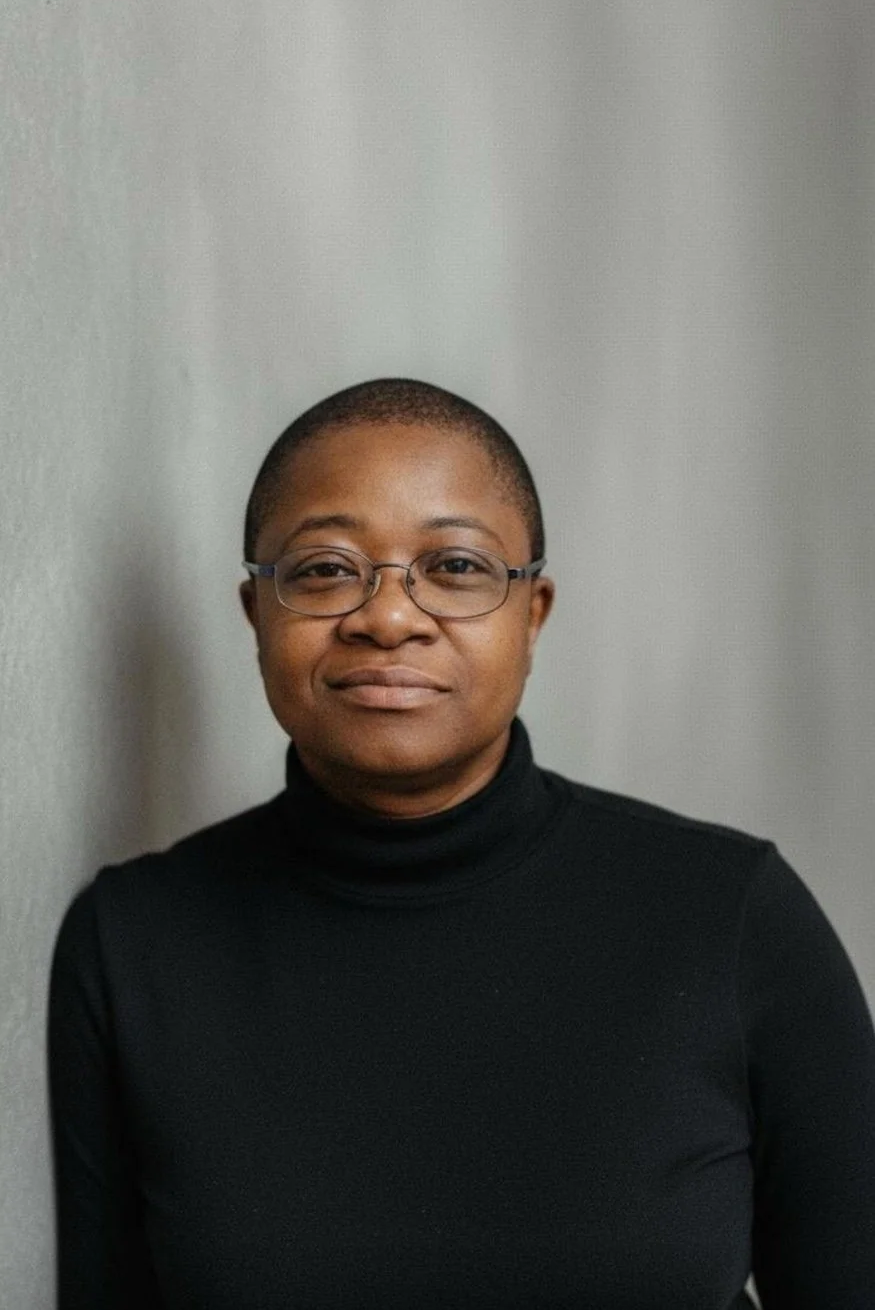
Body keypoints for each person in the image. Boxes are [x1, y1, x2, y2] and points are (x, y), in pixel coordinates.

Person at [48, 378, 875, 1309]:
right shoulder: (132, 944)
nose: (388, 616)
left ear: (533, 614)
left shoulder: (730, 917)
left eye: (454, 566)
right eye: (323, 568)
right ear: (256, 614)